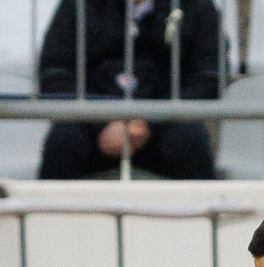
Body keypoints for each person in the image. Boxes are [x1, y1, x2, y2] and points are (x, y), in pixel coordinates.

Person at [36, 0, 221, 180]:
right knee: (64, 141)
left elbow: (209, 77)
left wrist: (150, 121)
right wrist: (102, 122)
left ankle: (199, 210)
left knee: (189, 141)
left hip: (168, 120)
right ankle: (50, 211)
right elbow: (54, 73)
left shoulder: (196, 5)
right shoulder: (78, 5)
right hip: (90, 122)